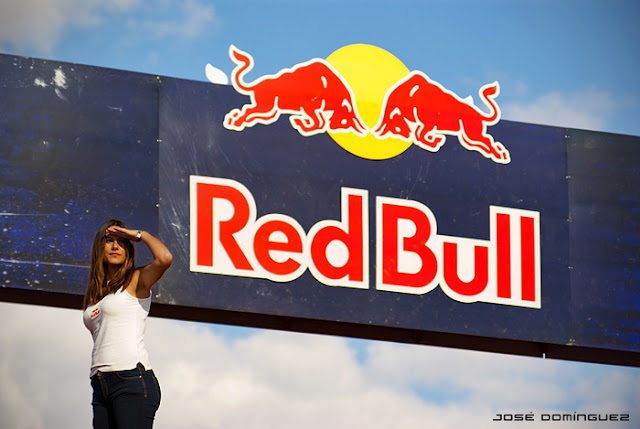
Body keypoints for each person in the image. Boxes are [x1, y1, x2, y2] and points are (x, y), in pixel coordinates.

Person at [82, 219, 172, 428]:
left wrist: (138, 235)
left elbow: (165, 258)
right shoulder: (94, 295)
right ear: (99, 248)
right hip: (100, 383)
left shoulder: (136, 279)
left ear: (129, 250)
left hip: (131, 378)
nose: (115, 246)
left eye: (122, 242)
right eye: (109, 241)